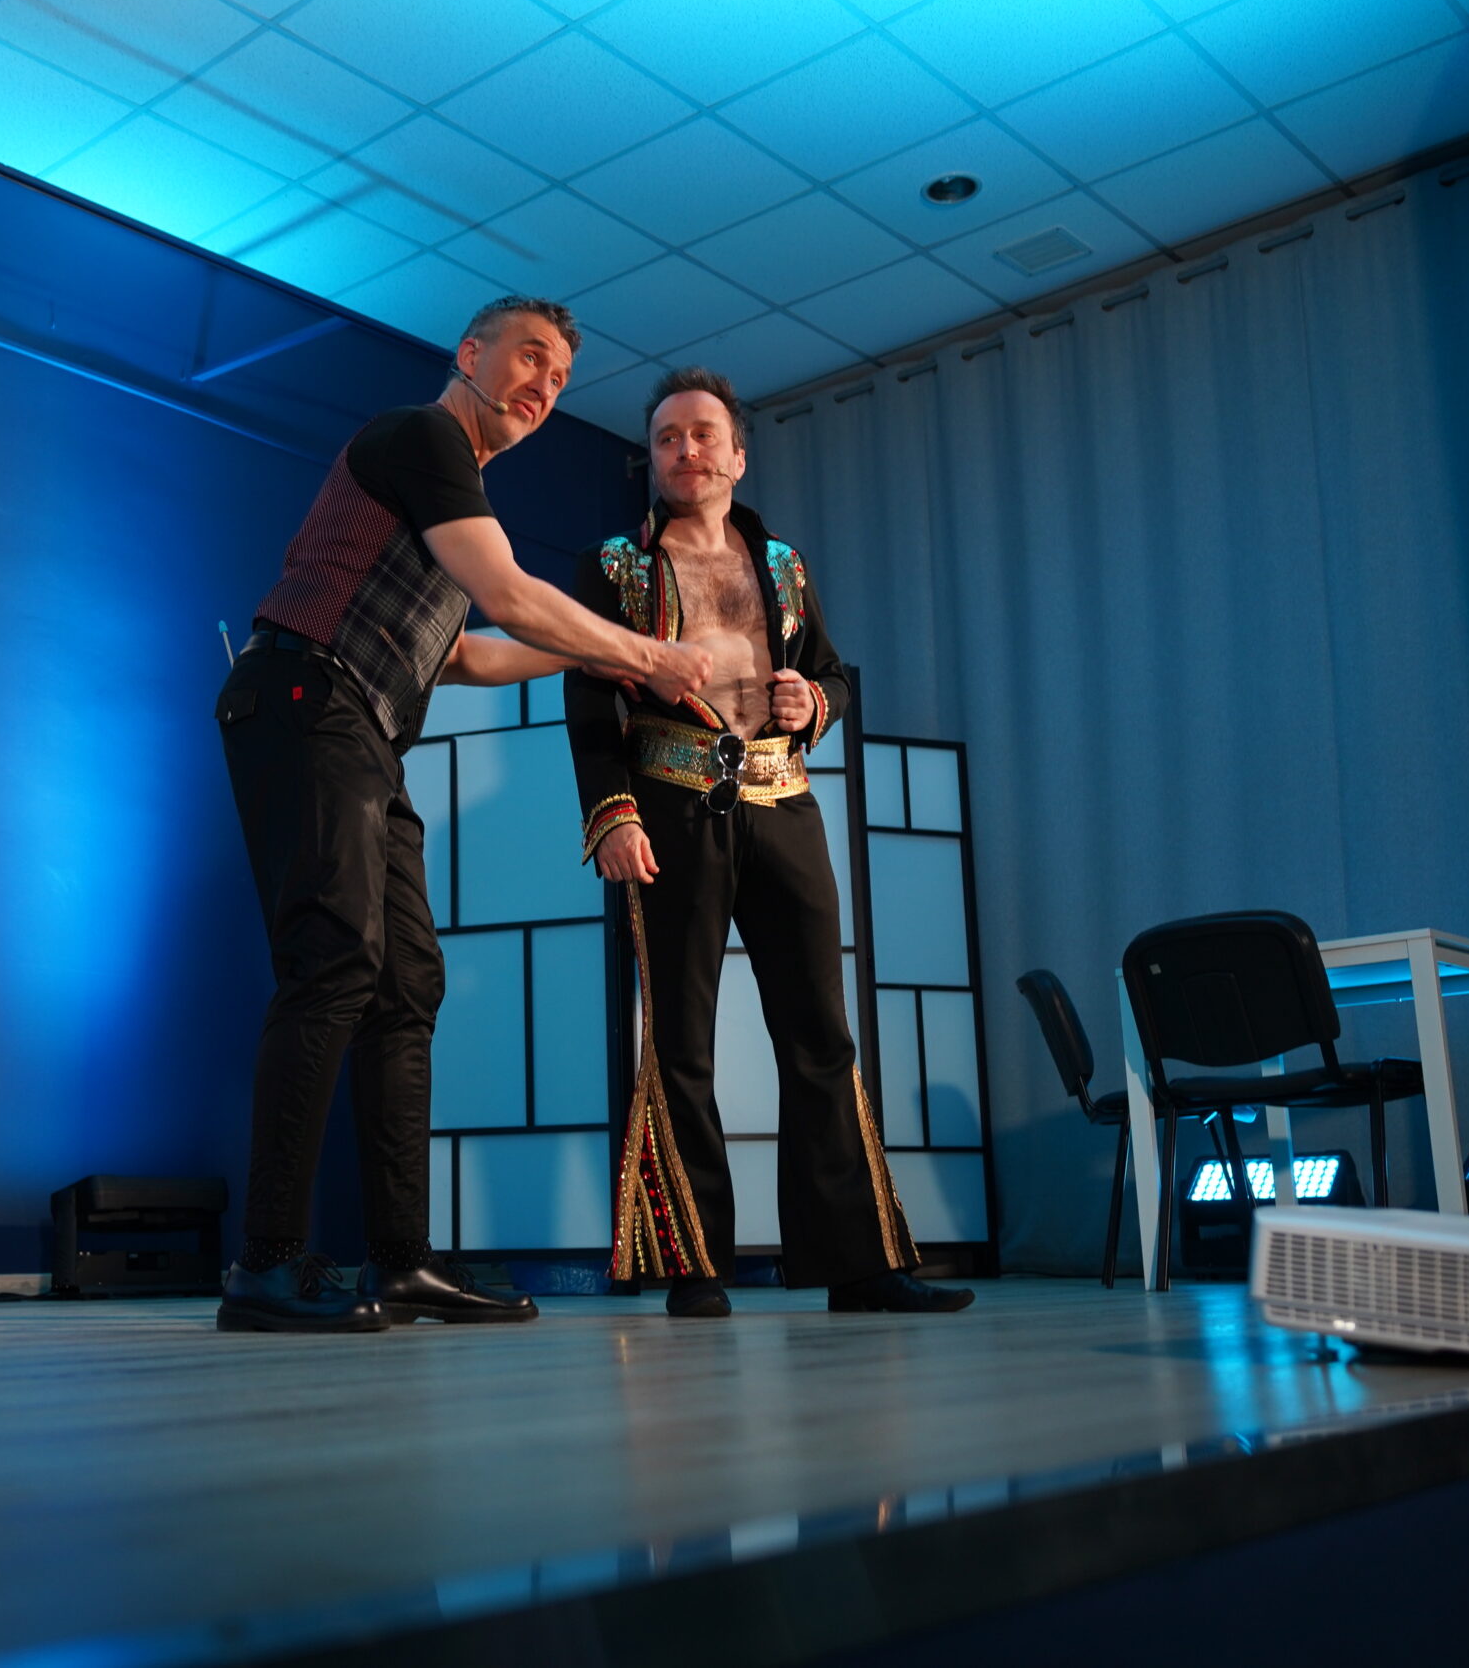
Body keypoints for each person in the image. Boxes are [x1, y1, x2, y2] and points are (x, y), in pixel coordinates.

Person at [215, 298, 715, 1333]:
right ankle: (264, 1266)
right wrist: (646, 652)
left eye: (560, 379)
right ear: (470, 354)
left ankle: (402, 1261)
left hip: (364, 727)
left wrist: (608, 657)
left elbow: (467, 655)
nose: (544, 386)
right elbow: (510, 595)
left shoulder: (451, 496)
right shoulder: (422, 438)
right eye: (530, 358)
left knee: (407, 983)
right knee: (334, 962)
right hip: (304, 698)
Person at [564, 367, 975, 1318]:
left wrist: (813, 700)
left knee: (820, 1034)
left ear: (738, 456)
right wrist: (613, 814)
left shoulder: (784, 564)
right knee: (681, 1039)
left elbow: (832, 672)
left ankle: (857, 1264)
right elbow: (587, 699)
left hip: (784, 800)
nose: (685, 450)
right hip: (670, 803)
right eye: (667, 438)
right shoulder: (616, 567)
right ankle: (696, 1266)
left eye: (703, 433)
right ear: (652, 458)